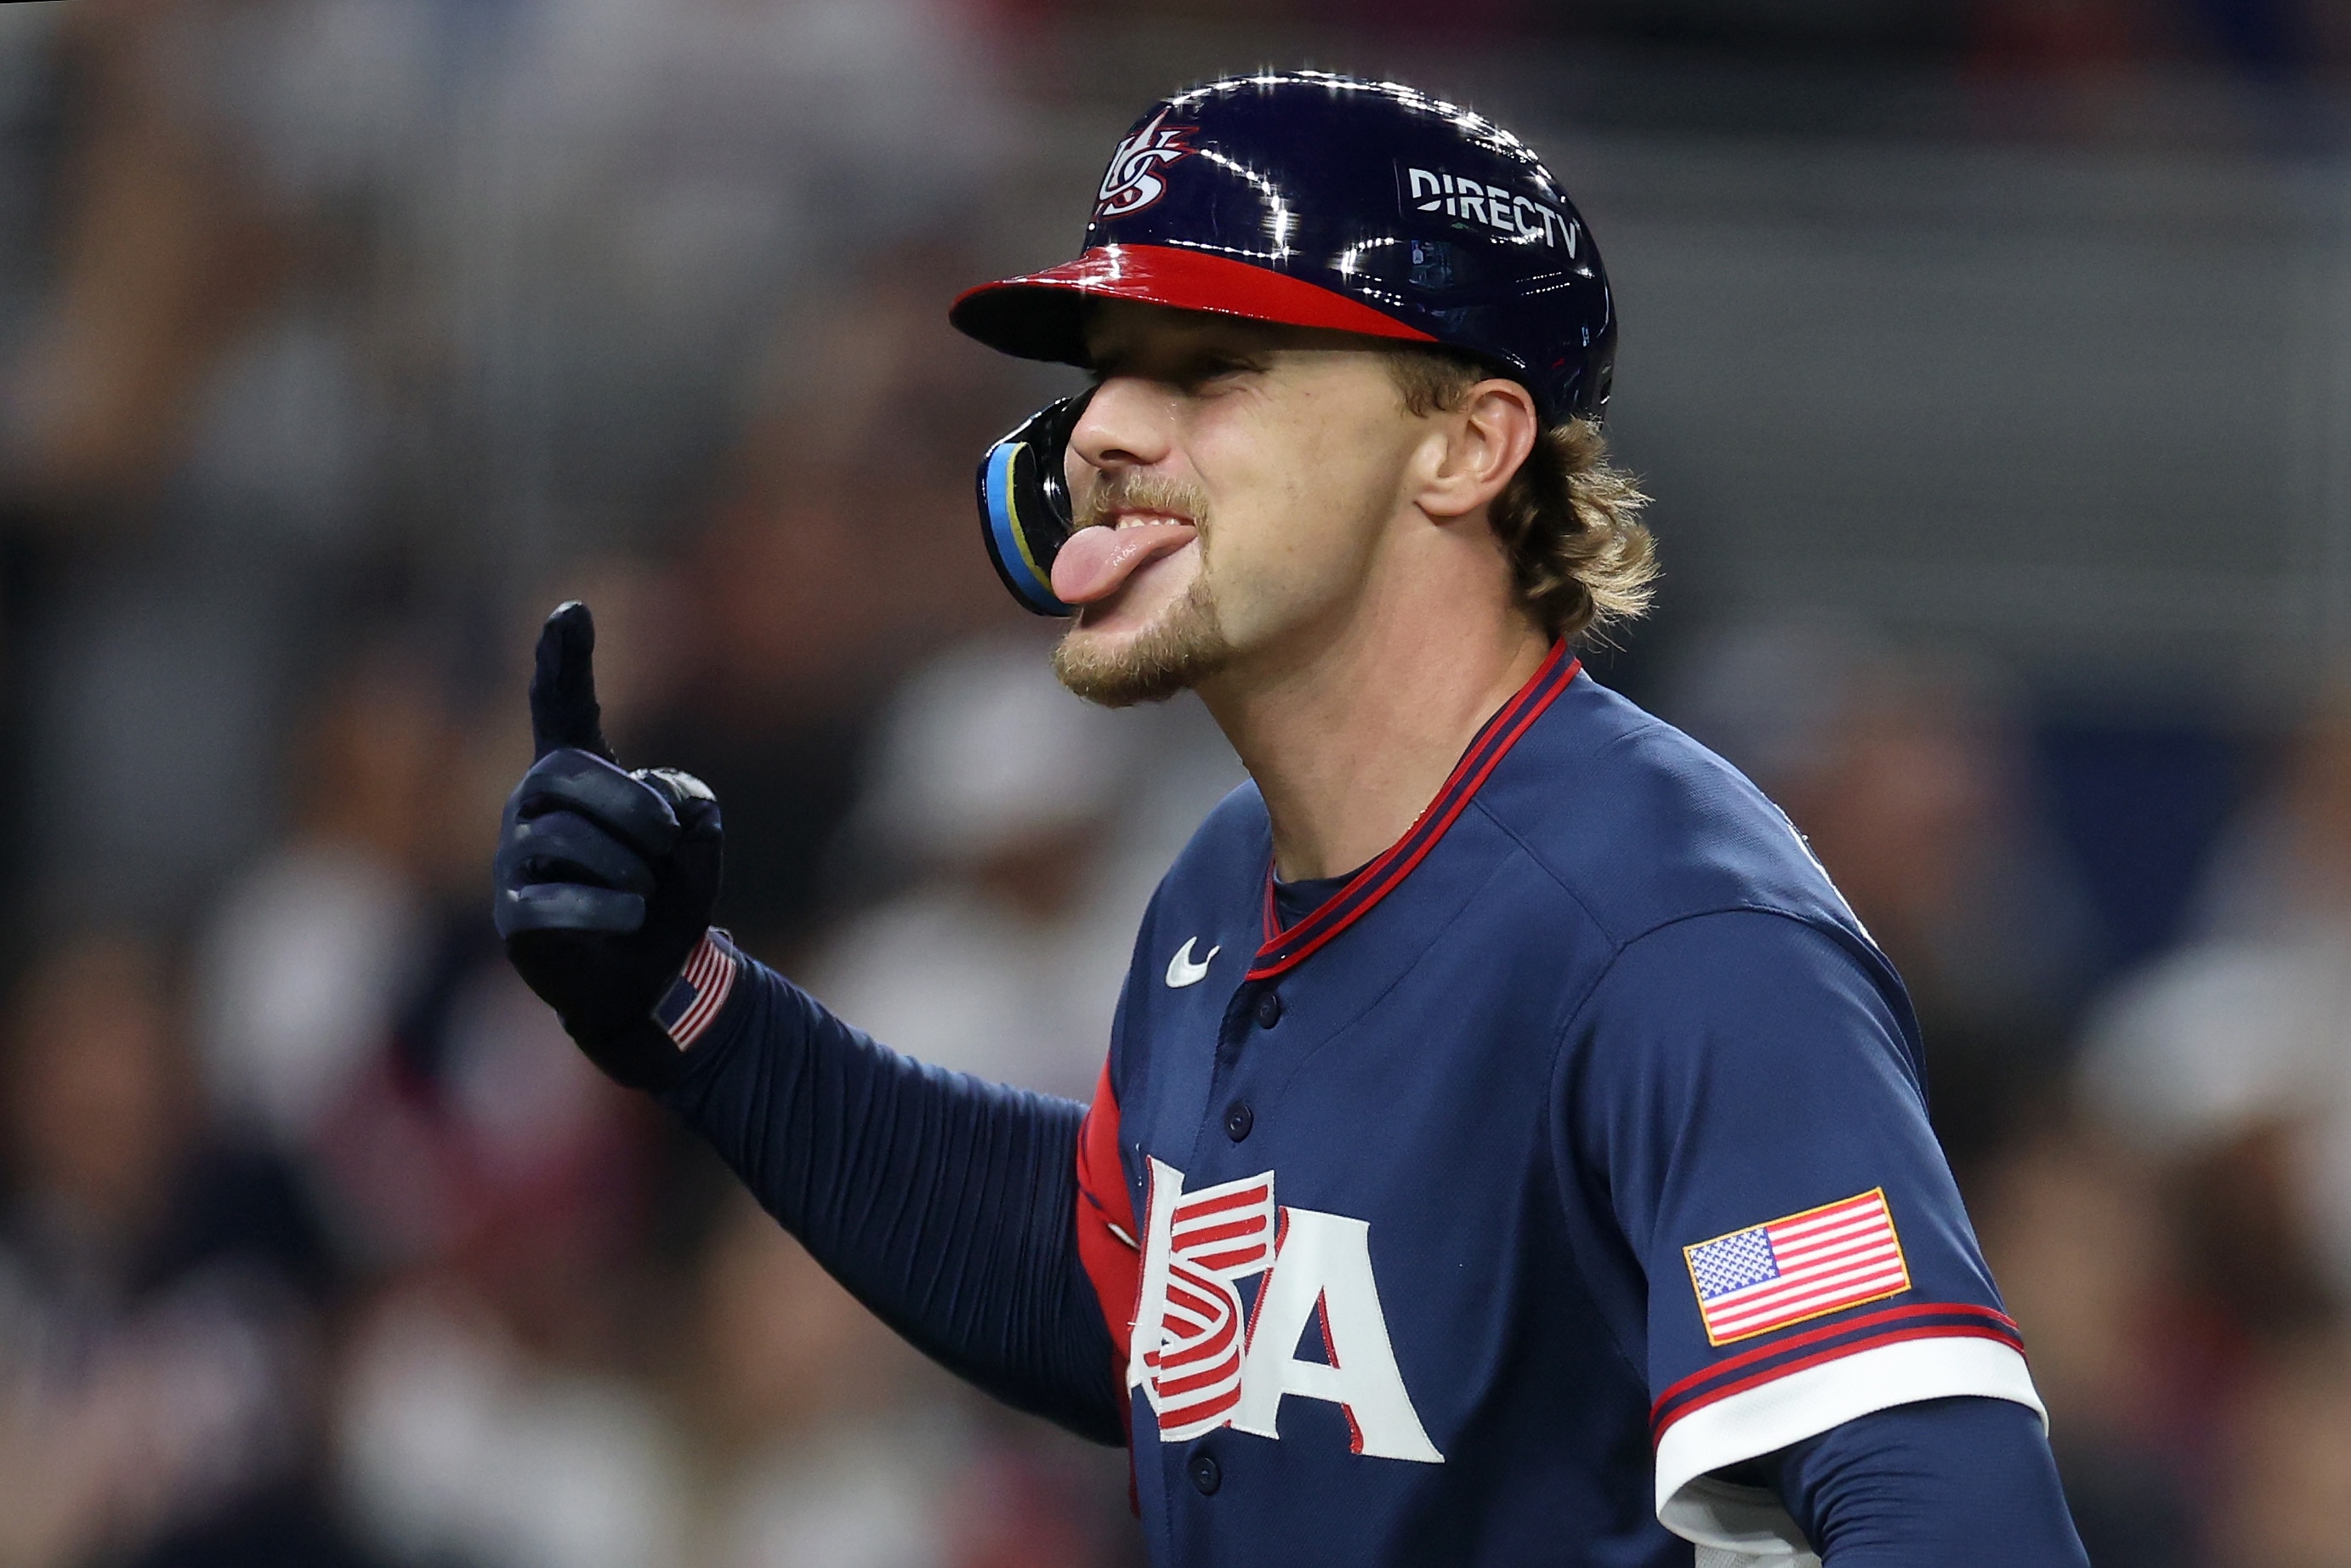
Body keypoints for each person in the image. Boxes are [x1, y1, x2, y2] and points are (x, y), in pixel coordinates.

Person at [493, 74, 2087, 1567]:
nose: (1102, 436)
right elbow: (1136, 1298)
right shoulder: (1218, 887)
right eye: (1108, 370)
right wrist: (693, 1009)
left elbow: (1949, 1509)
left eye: (1210, 367)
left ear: (1466, 444)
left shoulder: (1670, 941)